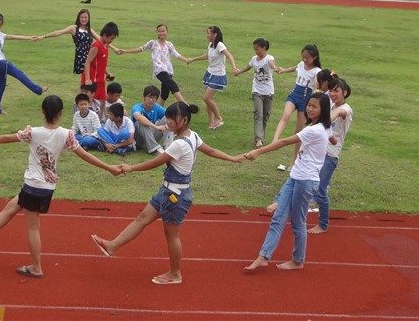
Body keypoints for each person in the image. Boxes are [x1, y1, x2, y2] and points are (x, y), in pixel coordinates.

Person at [0, 95, 120, 278]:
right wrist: (109, 167)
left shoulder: (32, 132)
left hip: (33, 186)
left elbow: (8, 137)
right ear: (60, 113)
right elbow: (85, 156)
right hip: (46, 187)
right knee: (11, 207)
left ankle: (36, 268)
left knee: (33, 228)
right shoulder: (67, 134)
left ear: (42, 111)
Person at [91, 102, 243, 284]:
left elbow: (155, 162)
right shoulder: (193, 136)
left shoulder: (179, 144)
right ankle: (112, 245)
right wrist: (232, 158)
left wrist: (131, 167)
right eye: (168, 118)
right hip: (168, 191)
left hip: (175, 197)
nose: (169, 122)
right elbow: (210, 150)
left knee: (172, 236)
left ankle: (175, 273)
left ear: (184, 120)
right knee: (142, 219)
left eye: (173, 119)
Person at [243, 92, 331, 271]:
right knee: (278, 218)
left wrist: (258, 151)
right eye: (309, 105)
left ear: (323, 110)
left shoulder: (313, 130)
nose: (309, 109)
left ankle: (298, 261)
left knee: (298, 222)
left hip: (306, 181)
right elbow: (332, 136)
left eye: (314, 107)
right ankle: (263, 256)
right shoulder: (323, 128)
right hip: (295, 177)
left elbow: (284, 142)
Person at [308, 78, 353, 234]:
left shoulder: (346, 109)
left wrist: (324, 122)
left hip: (330, 155)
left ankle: (322, 224)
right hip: (319, 153)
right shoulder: (331, 105)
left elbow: (339, 113)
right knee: (309, 184)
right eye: (331, 91)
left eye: (336, 91)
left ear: (344, 93)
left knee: (321, 190)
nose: (333, 94)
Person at [270, 44, 322, 169]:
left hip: (305, 100)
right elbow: (294, 68)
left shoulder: (317, 71)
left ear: (314, 57)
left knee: (298, 133)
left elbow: (316, 85)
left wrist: (316, 91)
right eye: (303, 57)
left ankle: (294, 163)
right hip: (294, 95)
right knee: (286, 116)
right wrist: (283, 70)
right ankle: (275, 141)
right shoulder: (301, 64)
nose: (304, 59)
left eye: (307, 57)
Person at [117, 24, 193, 106]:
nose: (161, 33)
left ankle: (158, 111)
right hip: (159, 70)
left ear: (167, 32)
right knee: (173, 85)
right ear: (157, 32)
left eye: (163, 31)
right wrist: (125, 51)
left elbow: (176, 54)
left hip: (169, 71)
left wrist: (185, 59)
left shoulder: (169, 44)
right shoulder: (153, 43)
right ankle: (185, 105)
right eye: (159, 31)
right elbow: (140, 49)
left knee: (165, 94)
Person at [187, 26, 239, 130]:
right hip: (209, 73)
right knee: (207, 100)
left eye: (208, 33)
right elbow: (207, 56)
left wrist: (234, 67)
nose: (207, 35)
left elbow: (229, 55)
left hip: (218, 75)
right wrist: (193, 59)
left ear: (215, 35)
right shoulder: (211, 45)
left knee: (207, 98)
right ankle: (211, 122)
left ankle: (218, 118)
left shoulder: (220, 45)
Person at [38, 9, 118, 75]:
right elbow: (58, 32)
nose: (84, 19)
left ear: (88, 18)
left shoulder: (89, 29)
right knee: (85, 78)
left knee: (94, 74)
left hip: (91, 55)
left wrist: (114, 48)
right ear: (78, 18)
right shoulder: (73, 28)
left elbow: (101, 40)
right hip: (81, 57)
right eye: (82, 17)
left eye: (86, 17)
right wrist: (43, 36)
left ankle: (108, 74)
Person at [234, 38, 277, 147]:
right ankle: (258, 139)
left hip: (268, 91)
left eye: (257, 49)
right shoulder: (254, 59)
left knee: (265, 115)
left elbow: (272, 64)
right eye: (254, 49)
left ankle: (261, 137)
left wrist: (276, 68)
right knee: (258, 114)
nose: (255, 51)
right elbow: (248, 67)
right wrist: (239, 72)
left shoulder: (269, 58)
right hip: (257, 90)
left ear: (264, 48)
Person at [81, 22, 120, 115]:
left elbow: (101, 64)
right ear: (105, 35)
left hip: (100, 80)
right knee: (89, 103)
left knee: (102, 102)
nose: (112, 41)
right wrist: (87, 79)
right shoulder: (96, 46)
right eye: (111, 38)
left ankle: (101, 119)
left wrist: (108, 73)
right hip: (92, 81)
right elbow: (87, 62)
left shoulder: (105, 46)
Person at [131, 85, 177, 155]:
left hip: (151, 137)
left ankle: (168, 148)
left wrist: (167, 125)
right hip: (138, 140)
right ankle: (154, 149)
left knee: (168, 118)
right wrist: (156, 127)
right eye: (149, 97)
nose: (151, 100)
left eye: (154, 98)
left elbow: (170, 116)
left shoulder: (157, 107)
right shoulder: (136, 107)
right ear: (144, 97)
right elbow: (138, 117)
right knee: (140, 122)